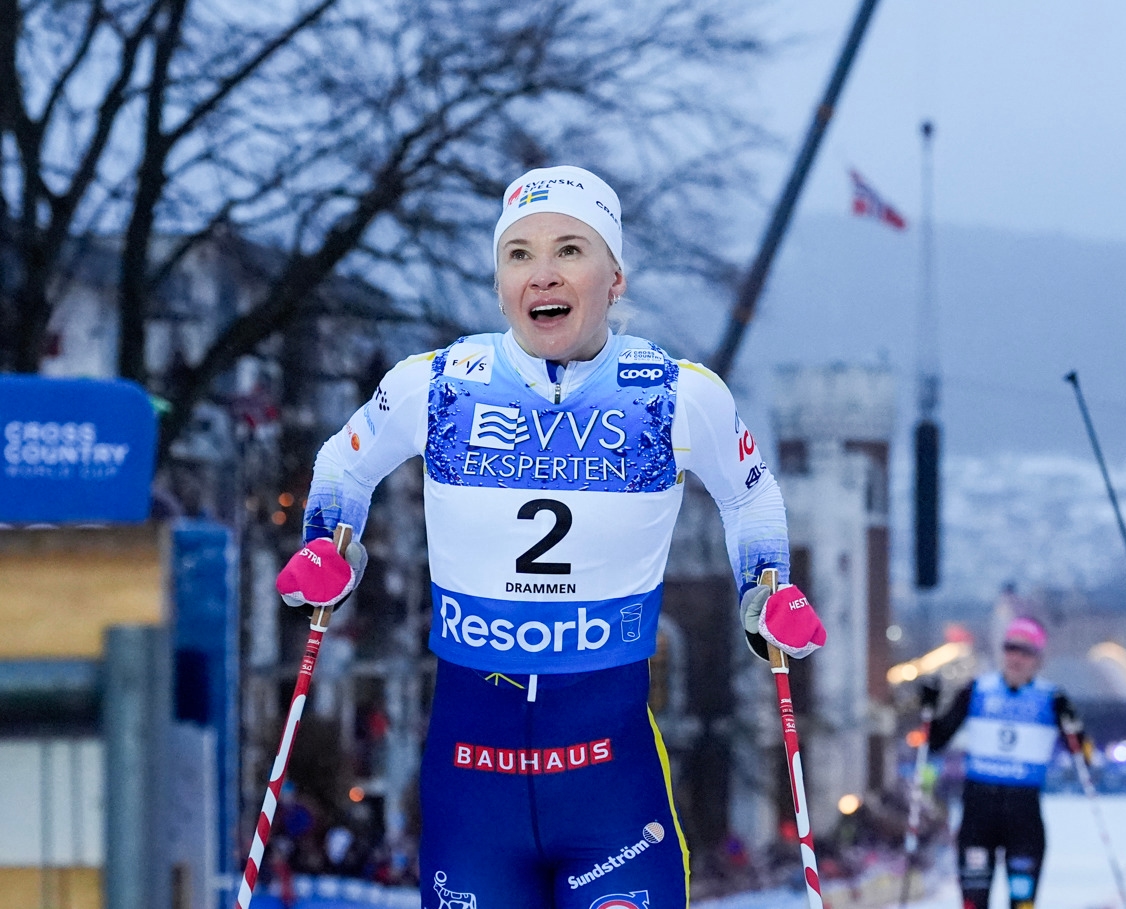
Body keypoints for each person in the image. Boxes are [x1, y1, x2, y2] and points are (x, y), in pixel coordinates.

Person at [273, 164, 827, 909]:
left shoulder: (673, 394)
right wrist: (329, 546)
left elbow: (751, 495)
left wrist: (767, 592)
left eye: (570, 249)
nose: (542, 274)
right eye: (519, 254)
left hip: (611, 790)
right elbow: (343, 462)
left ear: (615, 276)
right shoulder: (437, 384)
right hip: (474, 788)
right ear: (500, 280)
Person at [919, 615, 1085, 909]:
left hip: (1024, 818)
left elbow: (1083, 756)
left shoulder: (1051, 698)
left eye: (1025, 651)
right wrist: (929, 708)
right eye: (1010, 648)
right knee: (974, 902)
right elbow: (936, 741)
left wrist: (1075, 726)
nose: (1016, 657)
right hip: (978, 814)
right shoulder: (977, 690)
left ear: (1039, 658)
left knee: (1023, 904)